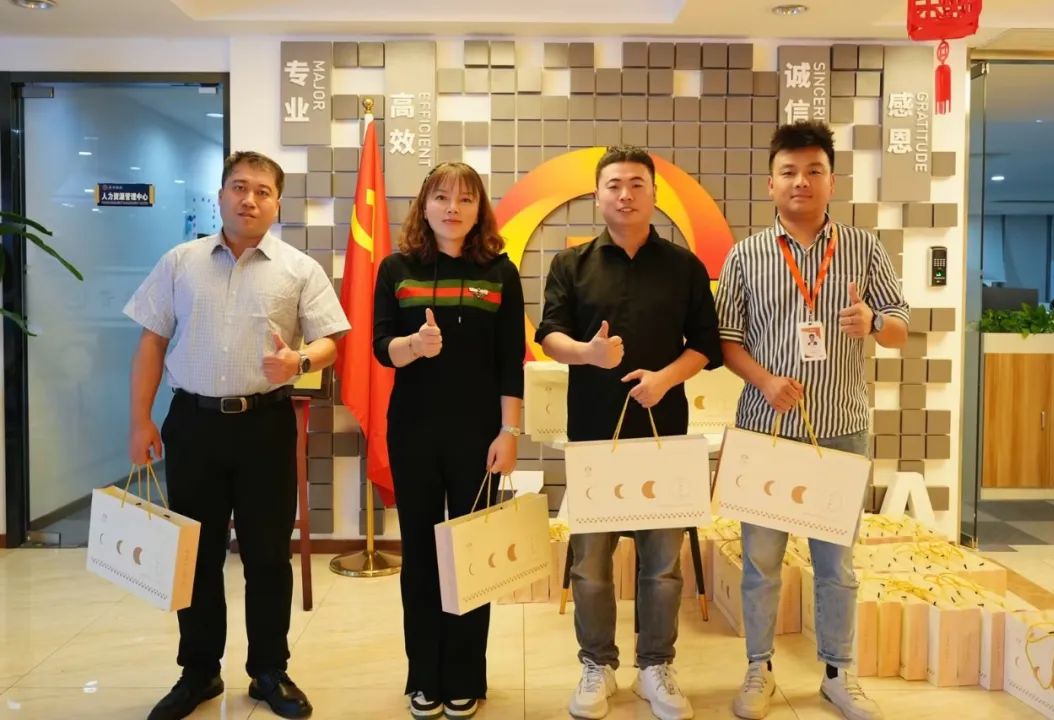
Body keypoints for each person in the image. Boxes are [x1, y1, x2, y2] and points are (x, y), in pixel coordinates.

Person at [125, 151, 350, 720]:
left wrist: (299, 361)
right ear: (221, 194)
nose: (249, 199)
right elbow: (152, 341)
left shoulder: (298, 268)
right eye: (239, 187)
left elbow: (331, 340)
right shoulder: (180, 262)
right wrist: (140, 419)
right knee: (195, 556)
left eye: (262, 191)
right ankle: (199, 672)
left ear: (277, 203)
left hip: (265, 426)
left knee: (268, 556)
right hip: (193, 424)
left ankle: (269, 670)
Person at [715, 121, 909, 720]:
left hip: (840, 429)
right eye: (789, 172)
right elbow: (726, 341)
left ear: (832, 181)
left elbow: (901, 329)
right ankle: (758, 668)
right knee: (760, 563)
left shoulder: (864, 248)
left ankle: (837, 673)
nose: (801, 181)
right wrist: (765, 381)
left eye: (813, 171)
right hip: (765, 430)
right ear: (770, 183)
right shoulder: (746, 254)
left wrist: (874, 322)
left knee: (836, 564)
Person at [536, 145, 723, 720]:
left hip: (664, 439)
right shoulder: (571, 264)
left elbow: (705, 346)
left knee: (661, 565)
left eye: (637, 184)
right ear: (598, 195)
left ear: (654, 194)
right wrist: (588, 354)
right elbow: (549, 336)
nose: (625, 194)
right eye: (614, 184)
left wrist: (665, 379)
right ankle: (597, 664)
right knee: (590, 564)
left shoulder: (685, 267)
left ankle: (654, 667)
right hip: (594, 441)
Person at [372, 162, 525, 720]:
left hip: (479, 437)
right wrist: (415, 345)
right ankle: (424, 676)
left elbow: (510, 360)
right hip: (413, 431)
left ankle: (464, 675)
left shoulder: (500, 273)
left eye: (465, 198)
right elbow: (380, 346)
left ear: (480, 209)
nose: (452, 208)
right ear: (424, 205)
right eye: (441, 197)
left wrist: (509, 432)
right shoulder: (396, 268)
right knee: (419, 555)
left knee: (470, 555)